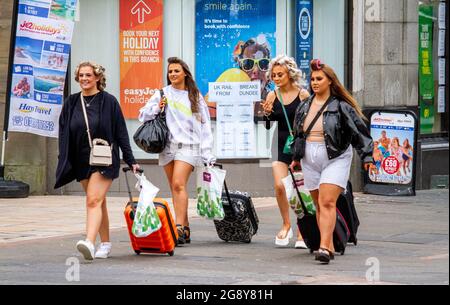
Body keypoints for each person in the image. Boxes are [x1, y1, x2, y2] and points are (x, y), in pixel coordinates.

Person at [290, 59, 373, 264]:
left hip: (336, 156)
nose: (315, 82)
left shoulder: (342, 106)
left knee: (327, 201)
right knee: (319, 204)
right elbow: (298, 134)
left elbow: (360, 132)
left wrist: (368, 155)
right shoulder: (304, 106)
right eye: (312, 79)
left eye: (319, 79)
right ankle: (329, 243)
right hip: (310, 157)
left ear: (330, 81)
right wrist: (296, 158)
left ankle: (325, 248)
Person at [55, 61, 140, 261]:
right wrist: (64, 158)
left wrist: (131, 160)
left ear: (98, 78)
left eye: (88, 75)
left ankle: (89, 242)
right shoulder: (71, 102)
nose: (84, 79)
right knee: (98, 202)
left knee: (93, 199)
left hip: (104, 159)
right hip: (81, 159)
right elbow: (63, 131)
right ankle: (107, 243)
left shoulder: (108, 101)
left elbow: (121, 133)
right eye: (81, 75)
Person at [139, 57, 216, 245]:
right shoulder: (162, 94)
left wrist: (207, 152)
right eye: (170, 71)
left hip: (189, 147)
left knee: (179, 184)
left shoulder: (195, 96)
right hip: (167, 148)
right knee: (175, 188)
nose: (172, 74)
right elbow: (142, 115)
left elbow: (204, 127)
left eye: (176, 71)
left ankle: (178, 227)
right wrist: (158, 107)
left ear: (185, 74)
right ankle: (186, 229)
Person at [261, 55, 310, 248]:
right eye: (273, 75)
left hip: (299, 146)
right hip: (279, 144)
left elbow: (309, 122)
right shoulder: (272, 95)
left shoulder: (303, 95)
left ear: (290, 74)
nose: (276, 78)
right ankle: (286, 224)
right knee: (280, 186)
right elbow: (267, 125)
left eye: (280, 74)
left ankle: (302, 230)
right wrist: (266, 113)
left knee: (299, 190)